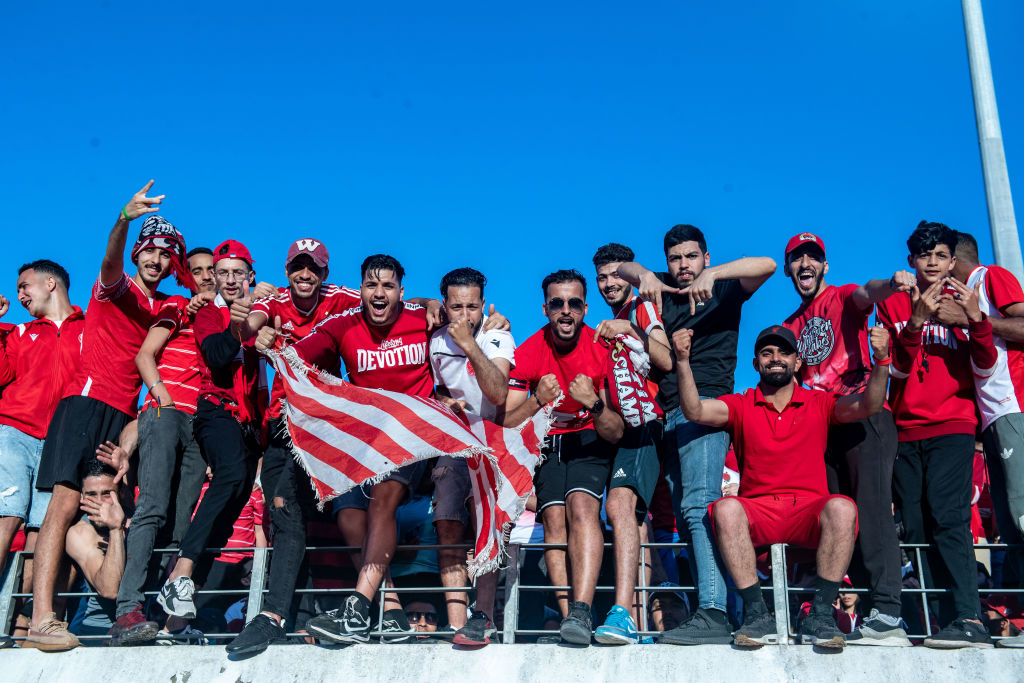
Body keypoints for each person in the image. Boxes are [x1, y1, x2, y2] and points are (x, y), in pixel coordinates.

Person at [227, 242, 449, 654]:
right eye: (370, 285)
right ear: (360, 290)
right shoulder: (345, 324)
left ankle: (358, 607)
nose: (378, 293)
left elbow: (467, 320)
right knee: (347, 513)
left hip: (412, 438)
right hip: (364, 444)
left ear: (402, 291)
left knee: (382, 499)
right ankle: (392, 607)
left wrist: (481, 319)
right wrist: (266, 340)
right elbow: (294, 356)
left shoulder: (423, 317)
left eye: (388, 286)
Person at [27, 182, 191, 650]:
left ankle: (79, 613)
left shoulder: (164, 309)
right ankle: (41, 618)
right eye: (150, 249)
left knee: (106, 510)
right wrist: (124, 217)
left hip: (123, 414)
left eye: (166, 254)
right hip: (85, 403)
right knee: (62, 505)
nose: (156, 260)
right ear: (138, 251)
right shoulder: (113, 288)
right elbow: (108, 262)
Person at [671, 323, 889, 649]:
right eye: (767, 353)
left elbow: (868, 405)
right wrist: (683, 361)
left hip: (807, 509)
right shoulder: (743, 403)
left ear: (797, 362)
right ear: (756, 363)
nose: (776, 358)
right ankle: (757, 614)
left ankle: (820, 614)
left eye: (784, 352)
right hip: (759, 509)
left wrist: (882, 360)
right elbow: (695, 409)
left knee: (842, 507)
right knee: (726, 508)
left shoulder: (820, 402)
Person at [617, 224, 775, 644]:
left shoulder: (723, 289)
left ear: (705, 255)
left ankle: (715, 611)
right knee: (688, 518)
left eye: (691, 256)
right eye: (675, 258)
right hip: (669, 412)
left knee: (700, 506)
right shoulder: (662, 289)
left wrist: (715, 274)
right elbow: (623, 266)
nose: (683, 266)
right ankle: (717, 608)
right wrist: (645, 276)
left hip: (705, 408)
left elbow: (768, 264)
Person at [781, 231, 914, 646]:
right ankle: (869, 613)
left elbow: (867, 293)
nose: (805, 264)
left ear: (825, 266)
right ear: (789, 269)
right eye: (797, 259)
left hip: (864, 414)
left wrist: (890, 285)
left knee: (873, 510)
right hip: (825, 429)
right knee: (842, 521)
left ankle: (889, 613)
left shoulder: (840, 298)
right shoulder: (789, 325)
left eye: (813, 258)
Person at [876, 220, 998, 649]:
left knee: (950, 519)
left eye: (941, 254)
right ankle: (936, 618)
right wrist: (915, 322)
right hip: (905, 427)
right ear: (912, 261)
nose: (932, 262)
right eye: (924, 255)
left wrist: (976, 321)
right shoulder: (893, 304)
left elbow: (985, 364)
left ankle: (970, 617)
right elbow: (897, 370)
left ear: (952, 260)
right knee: (916, 526)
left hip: (953, 424)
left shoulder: (967, 299)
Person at [503, 269, 624, 645]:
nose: (566, 311)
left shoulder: (603, 348)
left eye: (574, 303)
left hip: (590, 438)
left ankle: (583, 609)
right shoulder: (528, 350)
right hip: (548, 443)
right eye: (557, 304)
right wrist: (538, 399)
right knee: (553, 518)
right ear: (545, 309)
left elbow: (617, 430)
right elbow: (507, 422)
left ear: (586, 308)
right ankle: (569, 612)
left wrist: (595, 402)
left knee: (582, 509)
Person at [110, 248, 220, 645]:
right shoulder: (177, 306)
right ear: (186, 277)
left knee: (181, 522)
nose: (206, 277)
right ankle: (126, 611)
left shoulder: (221, 318)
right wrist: (162, 397)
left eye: (212, 270)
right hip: (167, 413)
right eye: (197, 271)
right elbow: (145, 355)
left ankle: (159, 614)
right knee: (151, 508)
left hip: (199, 424)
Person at [157, 239, 266, 622]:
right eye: (223, 273)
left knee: (236, 501)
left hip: (252, 419)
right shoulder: (207, 312)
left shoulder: (266, 306)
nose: (231, 280)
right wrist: (243, 321)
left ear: (251, 276)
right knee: (232, 474)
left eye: (239, 273)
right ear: (214, 278)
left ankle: (178, 612)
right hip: (216, 411)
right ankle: (180, 572)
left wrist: (424, 304)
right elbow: (218, 356)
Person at [428, 267, 515, 646]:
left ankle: (483, 615)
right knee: (446, 520)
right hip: (454, 443)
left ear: (484, 305)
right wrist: (445, 400)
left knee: (486, 527)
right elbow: (433, 389)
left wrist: (470, 345)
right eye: (456, 307)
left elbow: (496, 392)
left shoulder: (498, 335)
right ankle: (455, 621)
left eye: (472, 307)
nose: (465, 315)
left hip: (495, 443)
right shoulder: (432, 340)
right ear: (444, 306)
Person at [590, 243, 672, 644]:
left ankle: (622, 612)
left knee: (619, 505)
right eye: (602, 277)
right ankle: (644, 619)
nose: (608, 284)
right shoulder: (612, 319)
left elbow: (667, 358)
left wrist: (632, 329)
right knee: (636, 521)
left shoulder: (641, 309)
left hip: (646, 425)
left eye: (615, 275)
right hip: (621, 430)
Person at [949, 231, 1024, 649]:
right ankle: (1014, 614)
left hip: (1016, 407)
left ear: (955, 260)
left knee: (1022, 511)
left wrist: (976, 320)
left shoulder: (990, 276)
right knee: (1012, 523)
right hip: (991, 418)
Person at [0, 261, 84, 602]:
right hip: (14, 432)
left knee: (40, 532)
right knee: (7, 519)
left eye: (24, 286)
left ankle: (18, 625)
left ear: (51, 283)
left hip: (61, 443)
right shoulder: (19, 333)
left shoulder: (91, 329)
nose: (19, 294)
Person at [62, 457, 128, 645]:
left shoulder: (137, 523)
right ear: (82, 496)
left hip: (140, 627)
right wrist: (115, 529)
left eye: (107, 494)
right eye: (91, 494)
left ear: (121, 492)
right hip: (96, 632)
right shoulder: (79, 533)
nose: (100, 503)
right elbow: (109, 589)